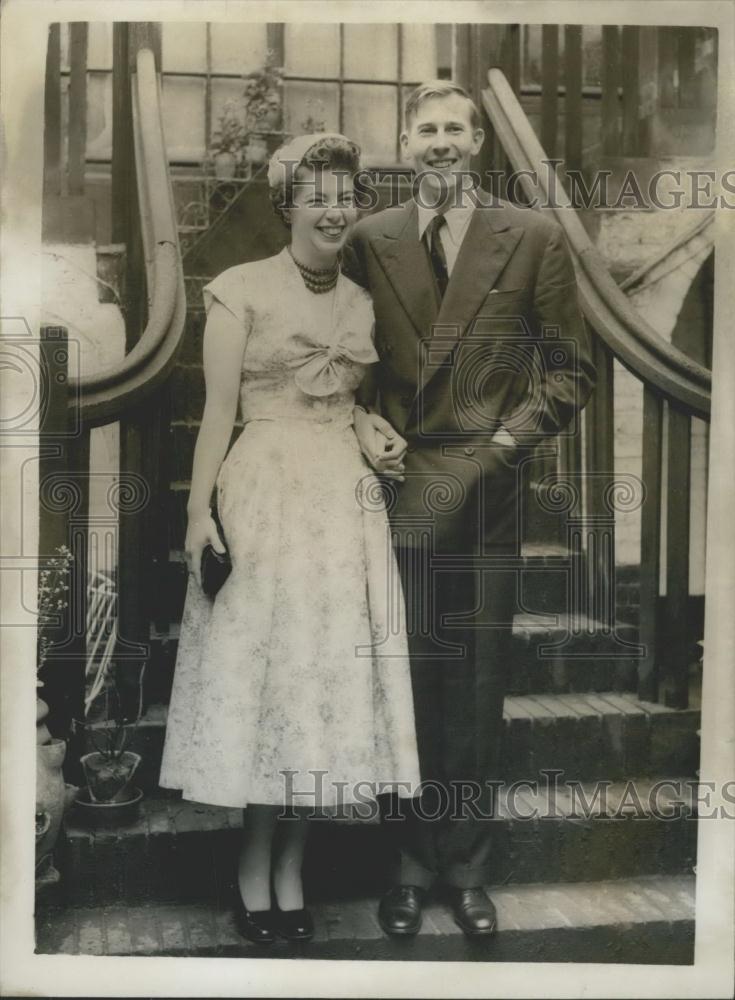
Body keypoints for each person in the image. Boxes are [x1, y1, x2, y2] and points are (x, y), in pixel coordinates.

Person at [346, 81, 596, 937]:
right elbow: (344, 359)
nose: (441, 143)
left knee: (476, 681)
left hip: (487, 492)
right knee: (406, 676)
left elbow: (570, 370)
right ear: (403, 143)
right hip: (396, 487)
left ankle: (469, 866)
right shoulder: (367, 240)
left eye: (456, 129)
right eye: (426, 130)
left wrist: (502, 446)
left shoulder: (531, 237)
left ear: (479, 142)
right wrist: (361, 417)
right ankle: (410, 865)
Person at [159, 133, 421, 946]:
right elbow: (216, 414)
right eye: (318, 196)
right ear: (287, 205)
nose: (335, 210)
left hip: (344, 502)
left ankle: (293, 867)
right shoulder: (240, 290)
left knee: (322, 682)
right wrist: (199, 513)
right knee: (269, 678)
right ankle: (253, 863)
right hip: (266, 490)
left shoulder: (360, 300)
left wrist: (374, 428)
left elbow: (353, 398)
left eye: (346, 196)